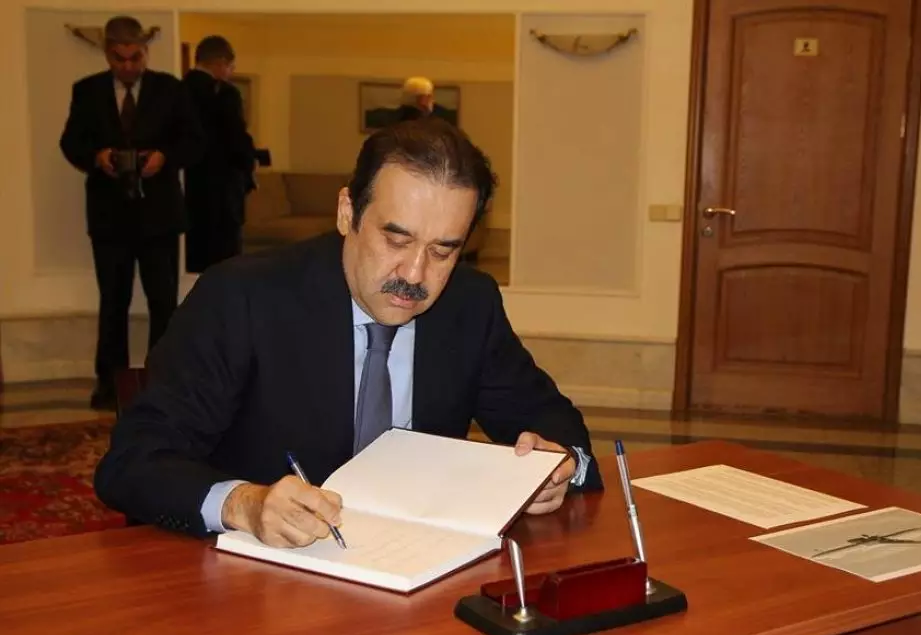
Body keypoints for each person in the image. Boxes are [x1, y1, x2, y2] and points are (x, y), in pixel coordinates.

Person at [94, 118, 603, 548]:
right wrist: (244, 504)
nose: (415, 274)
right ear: (347, 213)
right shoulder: (243, 297)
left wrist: (560, 467)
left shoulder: (469, 304)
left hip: (418, 570)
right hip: (260, 584)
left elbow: (550, 421)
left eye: (443, 250)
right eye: (396, 239)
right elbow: (134, 461)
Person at [59, 16, 204, 410]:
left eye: (134, 57)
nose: (127, 66)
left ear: (145, 52)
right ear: (108, 54)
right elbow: (70, 143)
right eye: (119, 59)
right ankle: (109, 384)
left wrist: (165, 157)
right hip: (109, 216)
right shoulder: (87, 90)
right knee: (113, 301)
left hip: (160, 214)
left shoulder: (170, 89)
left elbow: (195, 141)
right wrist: (98, 157)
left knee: (163, 302)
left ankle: (162, 382)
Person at [182, 35, 259, 274]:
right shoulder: (225, 94)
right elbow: (235, 138)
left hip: (190, 188)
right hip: (223, 189)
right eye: (230, 67)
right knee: (225, 260)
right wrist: (248, 165)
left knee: (194, 257)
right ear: (221, 62)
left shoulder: (179, 91)